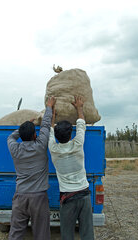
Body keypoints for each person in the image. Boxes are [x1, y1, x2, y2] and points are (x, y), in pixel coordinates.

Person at [7, 96, 56, 240]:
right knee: (41, 233)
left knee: (16, 233)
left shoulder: (15, 149)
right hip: (38, 197)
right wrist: (49, 107)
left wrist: (24, 127)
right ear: (35, 135)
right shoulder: (40, 146)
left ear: (21, 137)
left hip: (20, 196)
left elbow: (11, 137)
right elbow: (46, 125)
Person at [48, 96, 94, 240]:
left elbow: (49, 127)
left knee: (67, 234)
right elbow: (81, 124)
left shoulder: (53, 149)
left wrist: (51, 109)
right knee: (87, 233)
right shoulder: (78, 144)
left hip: (68, 199)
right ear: (70, 135)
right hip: (84, 196)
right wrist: (79, 107)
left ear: (56, 135)